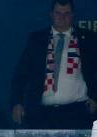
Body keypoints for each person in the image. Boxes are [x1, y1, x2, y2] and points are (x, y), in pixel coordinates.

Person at [11, 0, 97, 129]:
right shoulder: (37, 39)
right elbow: (21, 74)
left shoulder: (88, 38)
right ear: (51, 14)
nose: (62, 17)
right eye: (58, 13)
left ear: (73, 15)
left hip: (77, 111)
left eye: (66, 13)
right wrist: (17, 103)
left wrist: (95, 97)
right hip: (42, 113)